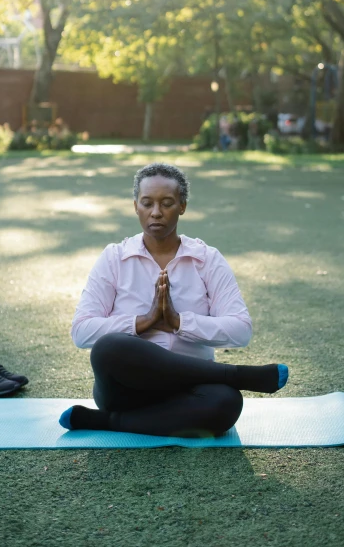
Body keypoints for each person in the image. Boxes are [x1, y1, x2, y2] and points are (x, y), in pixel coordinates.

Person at [59, 163, 288, 438]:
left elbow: (241, 329)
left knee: (227, 403)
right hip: (127, 389)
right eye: (147, 203)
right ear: (135, 206)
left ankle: (110, 422)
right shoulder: (114, 258)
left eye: (167, 203)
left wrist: (179, 323)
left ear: (182, 206)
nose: (156, 212)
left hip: (189, 390)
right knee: (109, 347)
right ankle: (234, 375)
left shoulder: (207, 259)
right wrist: (144, 323)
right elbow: (81, 331)